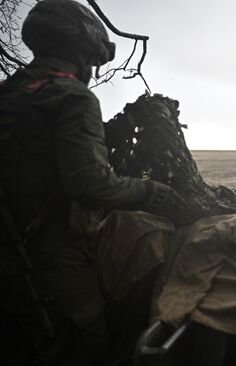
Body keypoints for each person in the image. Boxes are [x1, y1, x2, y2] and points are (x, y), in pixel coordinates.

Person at [0, 0, 189, 364]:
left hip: (9, 257)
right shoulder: (71, 97)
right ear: (81, 52)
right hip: (46, 265)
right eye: (92, 62)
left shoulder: (10, 94)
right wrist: (155, 193)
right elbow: (89, 183)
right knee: (87, 343)